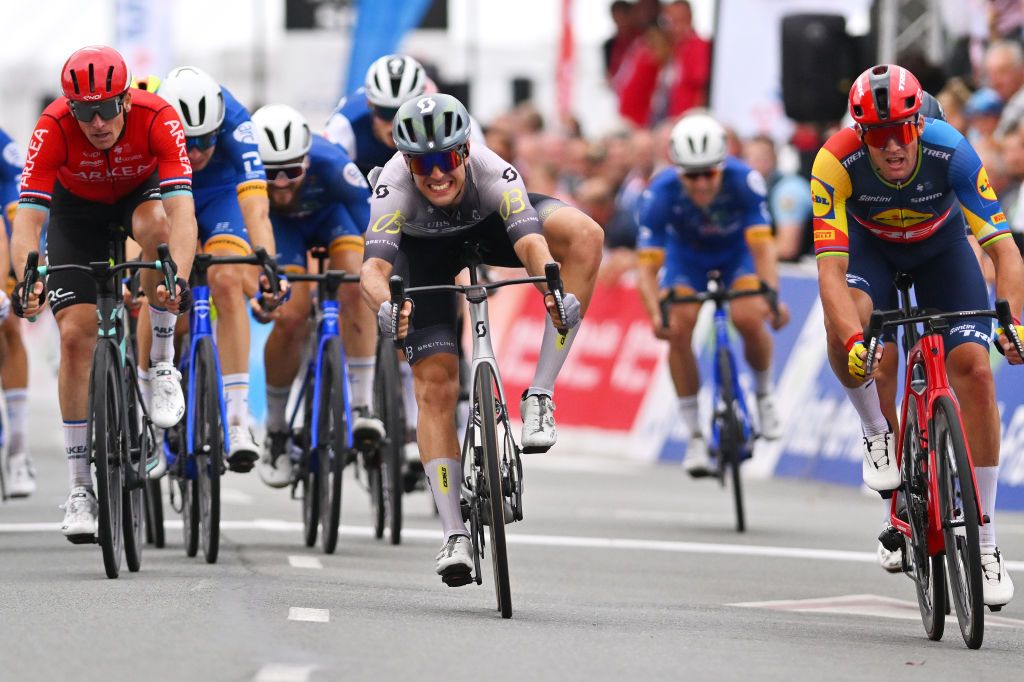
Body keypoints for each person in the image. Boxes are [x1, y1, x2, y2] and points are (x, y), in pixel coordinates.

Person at [360, 93, 602, 584]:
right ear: (406, 162)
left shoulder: (495, 171)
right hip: (421, 254)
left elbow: (532, 243)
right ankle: (455, 536)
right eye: (422, 164)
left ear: (465, 151)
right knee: (436, 386)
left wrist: (552, 291)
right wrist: (386, 307)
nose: (436, 174)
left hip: (490, 229)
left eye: (446, 159)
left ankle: (540, 394)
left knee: (585, 234)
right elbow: (374, 268)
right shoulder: (393, 186)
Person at [810, 64, 1023, 607]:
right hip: (871, 251)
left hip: (942, 250)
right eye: (878, 135)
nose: (893, 146)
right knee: (855, 334)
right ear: (861, 134)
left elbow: (1004, 250)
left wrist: (1016, 321)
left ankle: (988, 542)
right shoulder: (835, 162)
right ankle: (877, 429)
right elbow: (830, 274)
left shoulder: (952, 149)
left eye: (902, 131)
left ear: (919, 127)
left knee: (974, 368)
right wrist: (854, 342)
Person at [10, 45, 196, 541]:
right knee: (75, 336)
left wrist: (175, 274)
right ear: (70, 107)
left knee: (156, 227)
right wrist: (27, 280)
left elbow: (182, 214)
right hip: (77, 215)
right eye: (85, 111)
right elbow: (27, 221)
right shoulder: (52, 127)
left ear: (127, 101)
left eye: (107, 108)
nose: (97, 122)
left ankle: (160, 361)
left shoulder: (158, 116)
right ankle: (78, 489)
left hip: (140, 199)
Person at [138, 65, 282, 473]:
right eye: (188, 142)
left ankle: (237, 422)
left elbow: (257, 208)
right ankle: (148, 407)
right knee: (157, 282)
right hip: (164, 191)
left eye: (206, 140)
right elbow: (138, 214)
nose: (198, 152)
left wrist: (267, 261)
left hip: (219, 197)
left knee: (227, 276)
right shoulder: (148, 119)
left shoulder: (238, 122)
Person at [635, 111, 789, 477]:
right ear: (678, 170)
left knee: (749, 316)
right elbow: (646, 268)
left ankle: (764, 396)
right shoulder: (659, 192)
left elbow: (763, 248)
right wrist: (655, 313)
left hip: (737, 257)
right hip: (686, 261)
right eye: (692, 175)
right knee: (677, 327)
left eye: (709, 174)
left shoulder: (745, 180)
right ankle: (695, 435)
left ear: (722, 166)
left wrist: (771, 297)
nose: (702, 184)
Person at [250, 104, 383, 486]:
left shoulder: (333, 163)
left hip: (331, 217)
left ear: (308, 159)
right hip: (278, 229)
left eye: (291, 171)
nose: (280, 183)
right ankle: (276, 430)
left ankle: (361, 405)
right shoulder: (247, 180)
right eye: (269, 173)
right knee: (291, 317)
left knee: (355, 284)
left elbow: (375, 226)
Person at [325, 54, 430, 178]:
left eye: (406, 113)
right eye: (386, 112)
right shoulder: (345, 125)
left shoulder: (432, 118)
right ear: (370, 104)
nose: (396, 124)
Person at [0, 127, 31, 497]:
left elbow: (18, 212)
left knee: (8, 323)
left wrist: (16, 275)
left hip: (4, 219)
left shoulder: (4, 145)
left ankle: (19, 448)